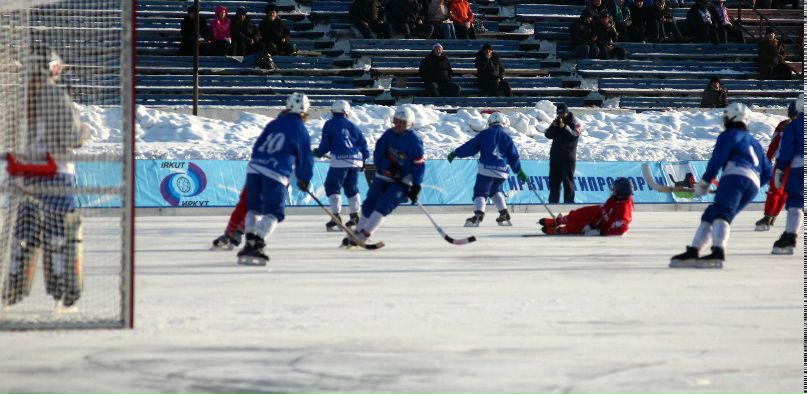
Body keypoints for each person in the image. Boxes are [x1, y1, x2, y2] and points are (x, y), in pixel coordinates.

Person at [3, 46, 89, 307]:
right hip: (55, 173)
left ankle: (15, 280)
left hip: (25, 175)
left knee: (24, 230)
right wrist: (84, 131)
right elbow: (71, 137)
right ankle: (65, 282)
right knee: (62, 229)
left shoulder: (16, 97)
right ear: (53, 68)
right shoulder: (56, 95)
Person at [670, 103, 772, 268]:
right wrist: (750, 185)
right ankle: (695, 250)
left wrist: (705, 181)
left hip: (734, 176)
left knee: (721, 214)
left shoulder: (728, 135)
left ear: (731, 118)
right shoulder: (755, 142)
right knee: (712, 213)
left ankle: (718, 251)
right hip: (751, 184)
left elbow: (717, 159)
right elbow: (768, 172)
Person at [237, 93, 314, 265]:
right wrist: (304, 178)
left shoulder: (274, 123)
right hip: (275, 173)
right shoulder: (301, 130)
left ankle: (249, 240)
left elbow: (257, 146)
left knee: (254, 207)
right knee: (274, 211)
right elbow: (305, 158)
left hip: (254, 169)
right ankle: (258, 242)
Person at [342, 107, 425, 247]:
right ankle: (359, 230)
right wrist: (388, 167)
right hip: (384, 176)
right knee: (369, 203)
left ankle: (365, 234)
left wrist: (416, 185)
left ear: (409, 124)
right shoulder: (388, 135)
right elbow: (378, 154)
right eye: (397, 121)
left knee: (384, 204)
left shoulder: (414, 141)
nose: (398, 125)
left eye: (402, 123)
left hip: (402, 181)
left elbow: (418, 165)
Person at [446, 112, 528, 227]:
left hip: (486, 170)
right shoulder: (507, 138)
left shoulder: (484, 134)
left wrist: (456, 153)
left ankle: (478, 215)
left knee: (480, 192)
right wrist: (519, 171)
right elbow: (513, 156)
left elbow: (470, 147)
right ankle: (504, 213)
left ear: (489, 122)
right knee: (495, 191)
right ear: (503, 123)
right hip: (502, 172)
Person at [313, 100, 370, 231]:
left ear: (333, 112)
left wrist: (319, 152)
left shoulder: (329, 124)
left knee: (332, 186)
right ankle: (355, 216)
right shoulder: (353, 126)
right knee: (351, 187)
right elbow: (363, 145)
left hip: (340, 161)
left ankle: (336, 217)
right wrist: (364, 160)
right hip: (356, 160)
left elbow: (325, 144)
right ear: (347, 112)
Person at [754, 99, 798, 231]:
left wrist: (767, 161)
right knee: (785, 193)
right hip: (797, 165)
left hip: (783, 164)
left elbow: (774, 145)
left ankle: (769, 216)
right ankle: (774, 216)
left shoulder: (784, 126)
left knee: (776, 190)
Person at [539, 177, 634, 236]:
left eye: (614, 190)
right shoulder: (614, 199)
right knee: (579, 213)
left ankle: (559, 230)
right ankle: (557, 221)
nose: (613, 192)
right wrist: (592, 223)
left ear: (620, 193)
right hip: (599, 214)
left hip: (602, 226)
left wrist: (599, 232)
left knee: (577, 227)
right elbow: (605, 209)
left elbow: (622, 230)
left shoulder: (623, 213)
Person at [770, 95, 803, 254]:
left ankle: (790, 236)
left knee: (796, 202)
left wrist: (780, 169)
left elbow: (787, 150)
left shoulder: (793, 126)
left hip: (799, 166)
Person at [544, 103, 582, 204]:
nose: (561, 116)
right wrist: (553, 126)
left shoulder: (575, 122)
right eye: (559, 114)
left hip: (568, 157)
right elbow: (548, 135)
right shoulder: (557, 121)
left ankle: (568, 204)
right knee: (554, 183)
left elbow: (575, 135)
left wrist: (564, 127)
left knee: (568, 183)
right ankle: (553, 203)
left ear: (567, 112)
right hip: (555, 157)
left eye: (563, 114)